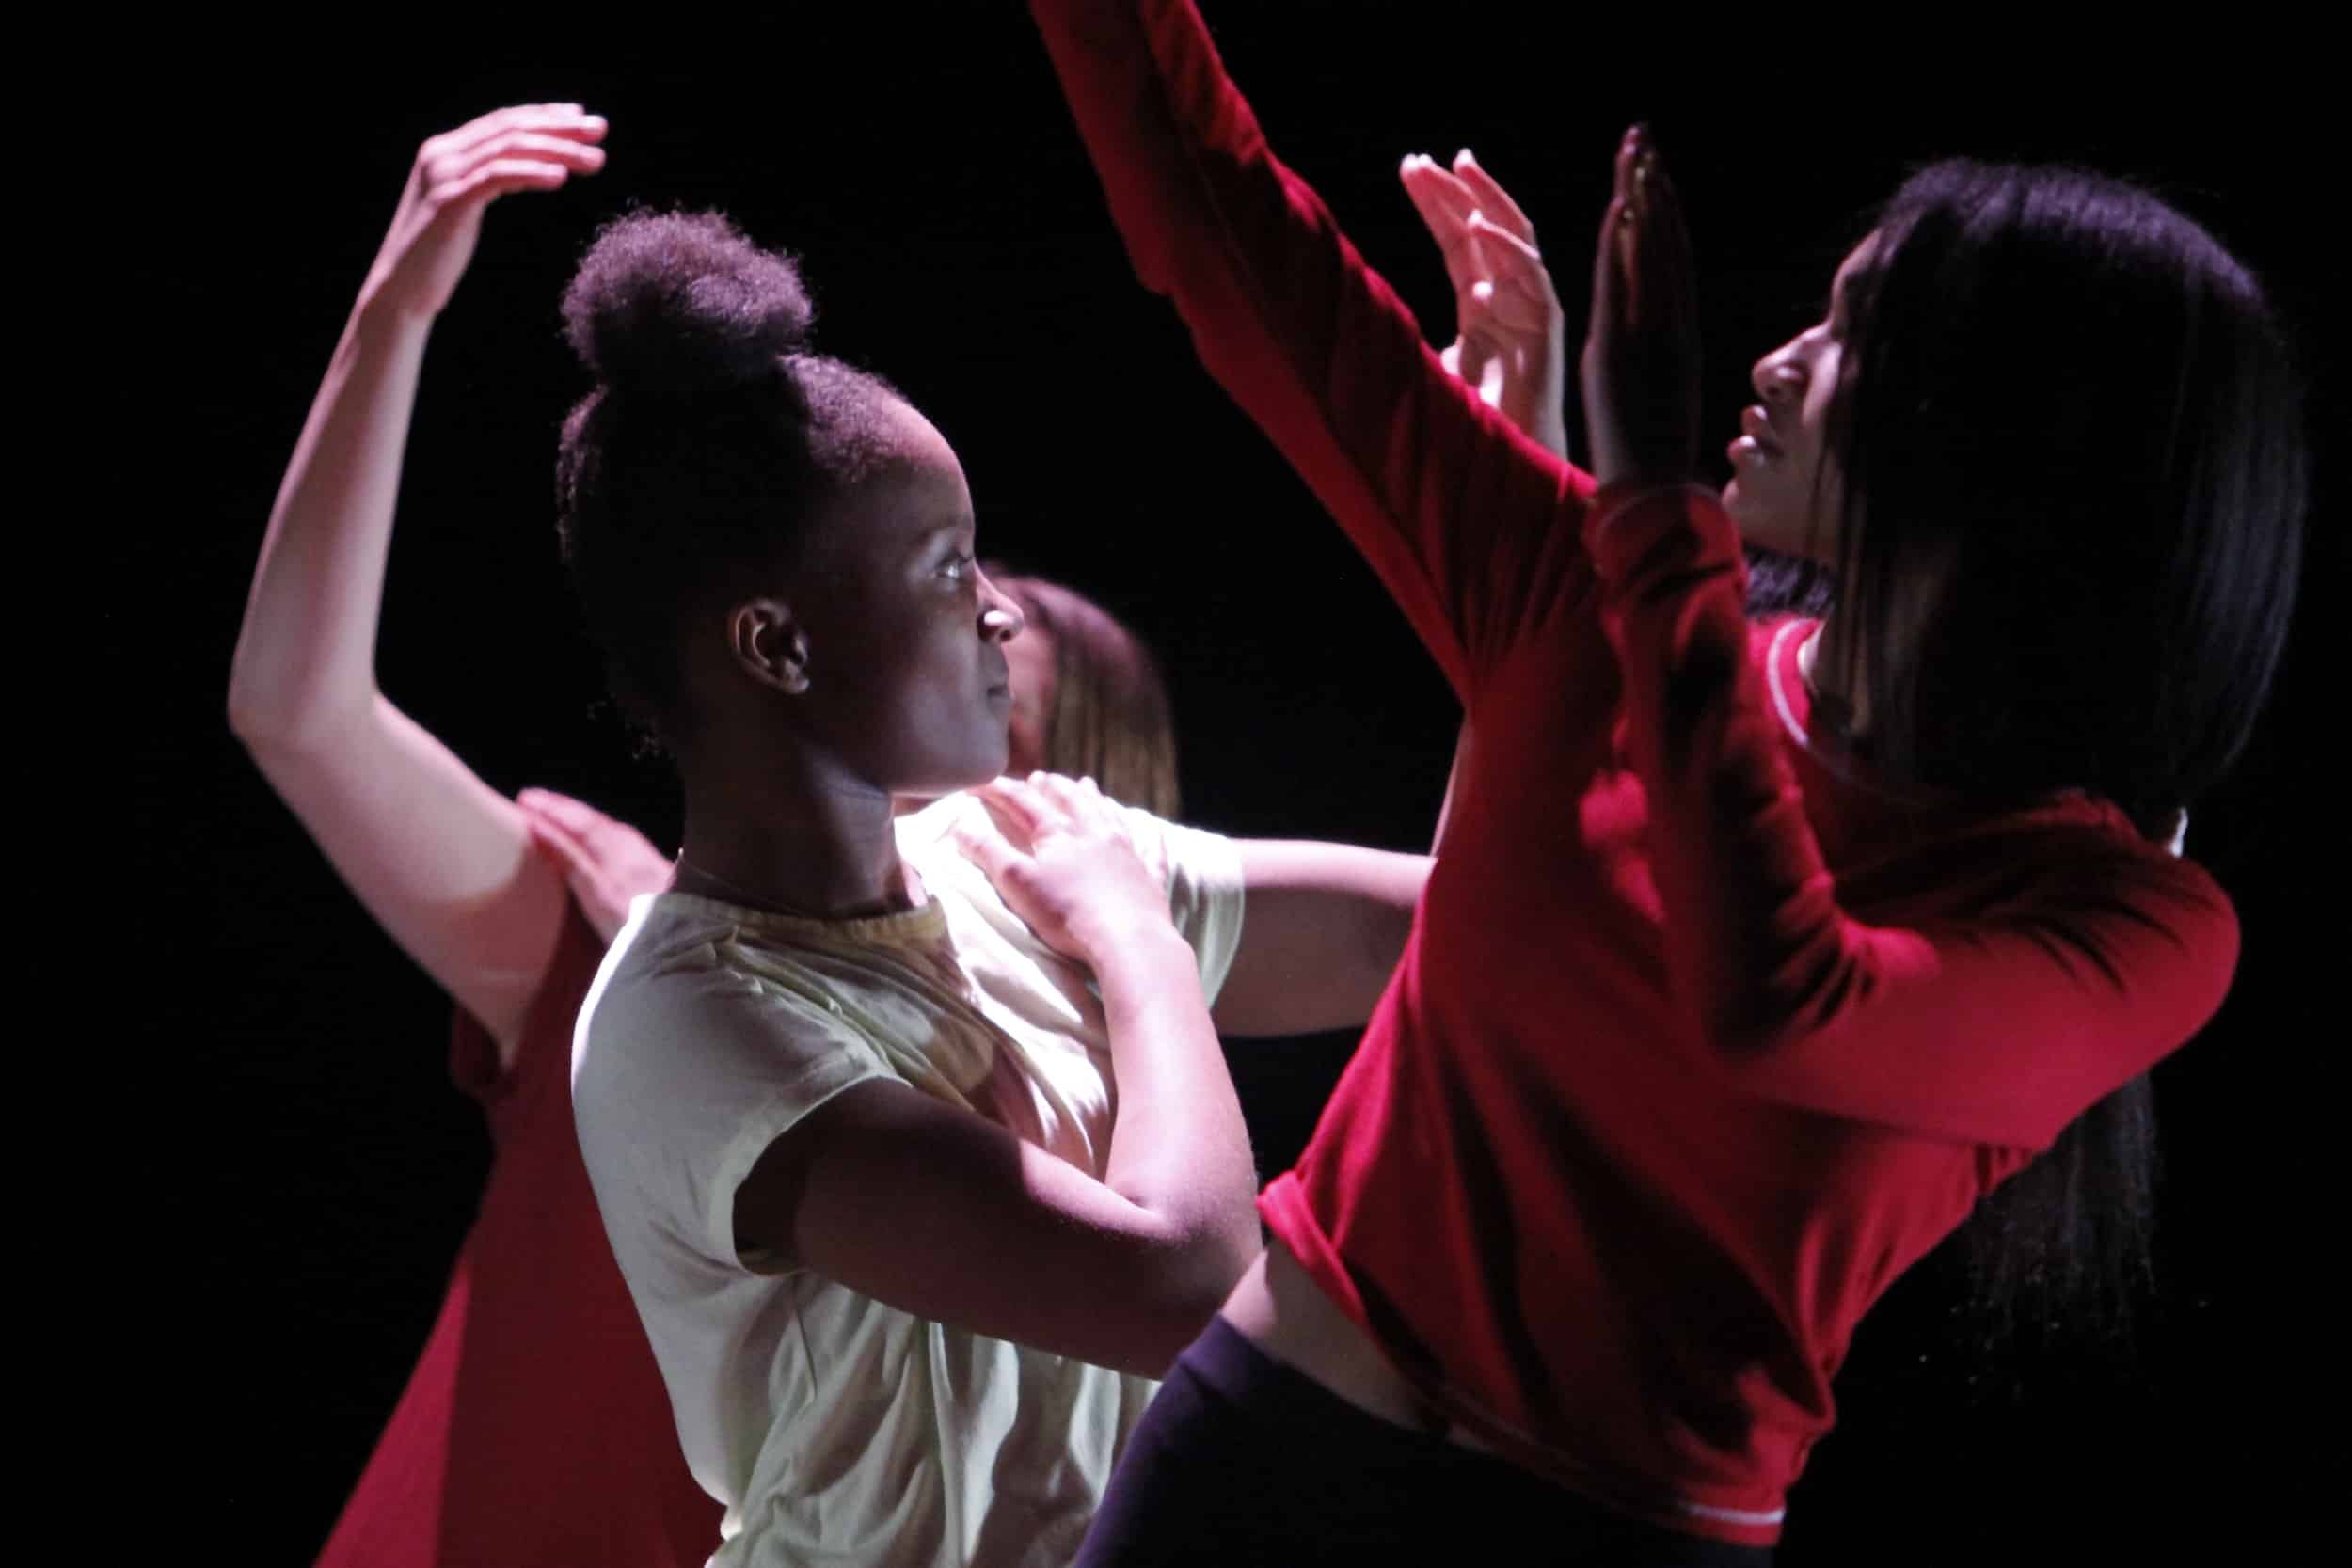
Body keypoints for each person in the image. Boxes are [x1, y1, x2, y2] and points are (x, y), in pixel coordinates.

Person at [1025, 4, 2308, 1562]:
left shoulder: (2127, 922)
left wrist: (1647, 511)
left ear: (2006, 435)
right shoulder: (1601, 599)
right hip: (1252, 1451)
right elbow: (1220, 233)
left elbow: (1780, 1000)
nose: (1774, 358)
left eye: (1855, 333)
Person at [556, 203, 1431, 1568]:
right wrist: (1139, 945)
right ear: (776, 646)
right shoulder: (692, 1026)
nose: (999, 612)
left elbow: (1446, 934)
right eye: (947, 565)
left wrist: (1517, 514)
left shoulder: (1010, 850)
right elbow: (1180, 1283)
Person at [228, 104, 724, 1567]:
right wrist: (396, 308)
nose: (971, 623)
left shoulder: (1068, 1122)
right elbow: (300, 712)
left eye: (986, 637)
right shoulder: (602, 960)